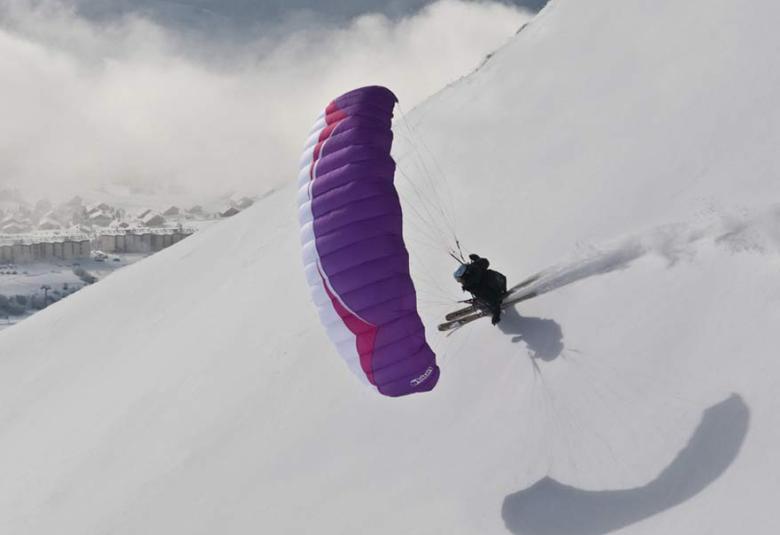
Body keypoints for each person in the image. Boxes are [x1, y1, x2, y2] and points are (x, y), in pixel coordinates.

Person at [453, 254, 507, 324]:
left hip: (498, 293)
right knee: (486, 294)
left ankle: (483, 306)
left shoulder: (477, 288)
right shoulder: (476, 267)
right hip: (501, 281)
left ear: (465, 276)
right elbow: (485, 262)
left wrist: (496, 314)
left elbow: (493, 300)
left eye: (459, 279)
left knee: (487, 300)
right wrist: (477, 259)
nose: (459, 282)